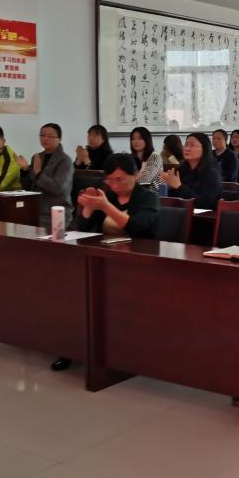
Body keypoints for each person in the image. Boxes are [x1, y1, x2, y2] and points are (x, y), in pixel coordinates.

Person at [66, 152, 160, 372]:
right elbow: (83, 229)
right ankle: (73, 348)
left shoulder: (147, 198)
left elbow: (138, 227)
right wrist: (88, 208)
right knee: (73, 289)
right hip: (106, 260)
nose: (114, 185)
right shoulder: (108, 195)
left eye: (120, 179)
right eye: (110, 180)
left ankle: (120, 352)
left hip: (139, 264)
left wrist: (106, 206)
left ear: (135, 175)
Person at [16, 122, 74, 227]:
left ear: (59, 139)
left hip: (55, 213)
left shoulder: (65, 161)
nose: (45, 139)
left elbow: (57, 188)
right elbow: (29, 189)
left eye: (50, 136)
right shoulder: (37, 157)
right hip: (36, 210)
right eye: (42, 135)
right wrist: (25, 170)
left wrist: (38, 173)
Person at [160, 132, 223, 210]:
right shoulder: (181, 169)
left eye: (192, 145)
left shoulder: (212, 172)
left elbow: (206, 203)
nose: (187, 148)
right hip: (180, 211)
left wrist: (179, 187)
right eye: (186, 145)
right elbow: (172, 199)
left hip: (203, 215)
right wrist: (168, 187)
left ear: (204, 149)